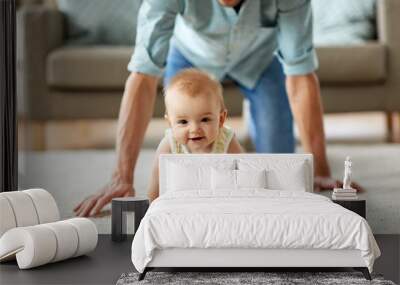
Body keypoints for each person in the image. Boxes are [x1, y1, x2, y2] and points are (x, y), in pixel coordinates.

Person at [74, 0, 356, 217]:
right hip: (191, 56)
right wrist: (121, 176)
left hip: (259, 60)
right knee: (185, 147)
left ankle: (255, 118)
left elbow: (300, 75)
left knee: (279, 171)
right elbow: (143, 77)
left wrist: (319, 167)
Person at [147, 68, 243, 201]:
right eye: (183, 122)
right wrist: (152, 211)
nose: (194, 129)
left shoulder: (227, 140)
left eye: (205, 120)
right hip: (180, 202)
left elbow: (244, 173)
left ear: (221, 119)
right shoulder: (169, 144)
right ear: (170, 123)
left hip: (218, 202)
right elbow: (156, 183)